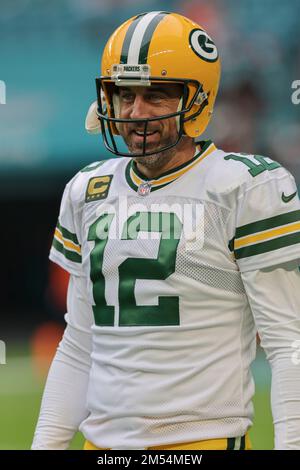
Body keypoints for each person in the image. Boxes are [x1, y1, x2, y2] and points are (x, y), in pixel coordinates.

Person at [32, 11, 300, 450]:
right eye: (124, 94)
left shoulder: (243, 186)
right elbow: (79, 345)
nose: (135, 113)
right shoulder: (88, 190)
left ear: (197, 99)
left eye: (155, 95)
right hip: (100, 447)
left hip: (201, 442)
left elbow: (287, 341)